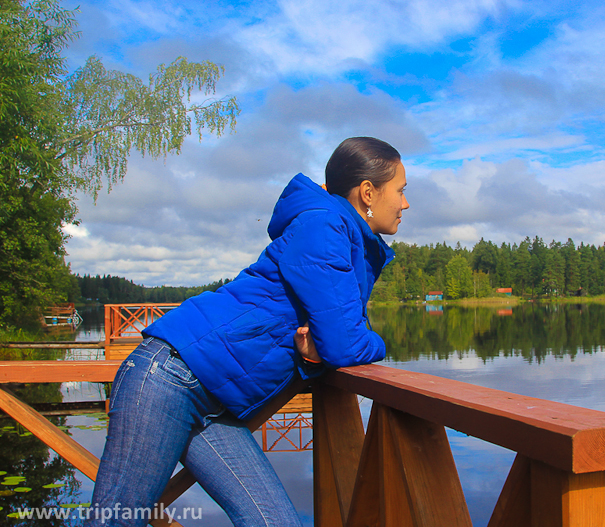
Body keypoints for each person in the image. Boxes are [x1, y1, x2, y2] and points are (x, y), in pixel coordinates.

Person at [86, 137, 410, 526]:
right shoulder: (324, 228)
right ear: (368, 192)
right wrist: (371, 343)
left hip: (213, 404)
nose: (405, 203)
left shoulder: (344, 237)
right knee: (115, 521)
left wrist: (314, 356)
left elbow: (328, 338)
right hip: (168, 379)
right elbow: (346, 342)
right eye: (401, 190)